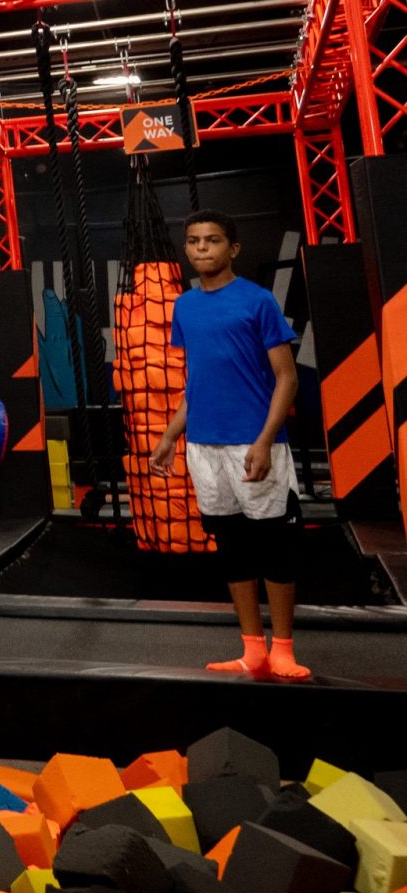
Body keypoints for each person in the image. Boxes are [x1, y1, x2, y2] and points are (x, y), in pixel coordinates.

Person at [150, 210, 308, 681]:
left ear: (233, 249)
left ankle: (283, 648)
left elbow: (288, 377)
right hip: (204, 447)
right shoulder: (185, 307)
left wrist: (263, 440)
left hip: (255, 445)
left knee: (274, 547)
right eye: (194, 241)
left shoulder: (257, 302)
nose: (202, 249)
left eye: (213, 240)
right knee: (233, 547)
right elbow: (196, 383)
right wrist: (169, 435)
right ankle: (252, 648)